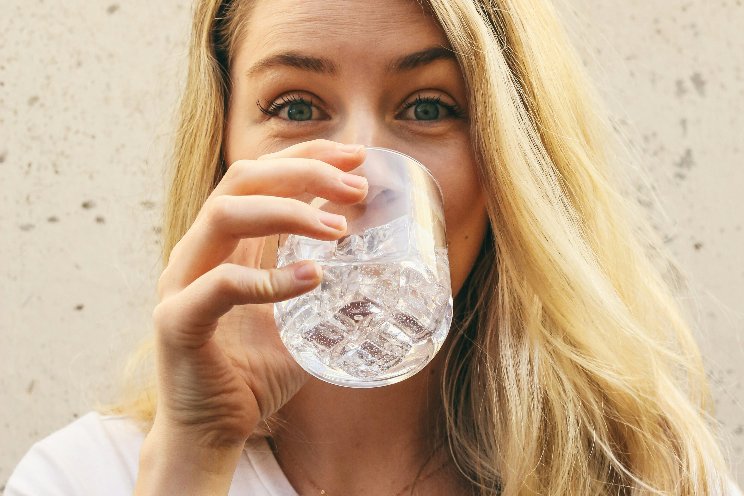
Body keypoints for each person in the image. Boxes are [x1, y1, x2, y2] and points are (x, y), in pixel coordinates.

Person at [6, 0, 743, 494]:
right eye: (296, 107)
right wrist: (193, 457)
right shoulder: (87, 477)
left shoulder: (639, 472)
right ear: (224, 151)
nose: (358, 173)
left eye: (428, 107)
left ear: (509, 165)